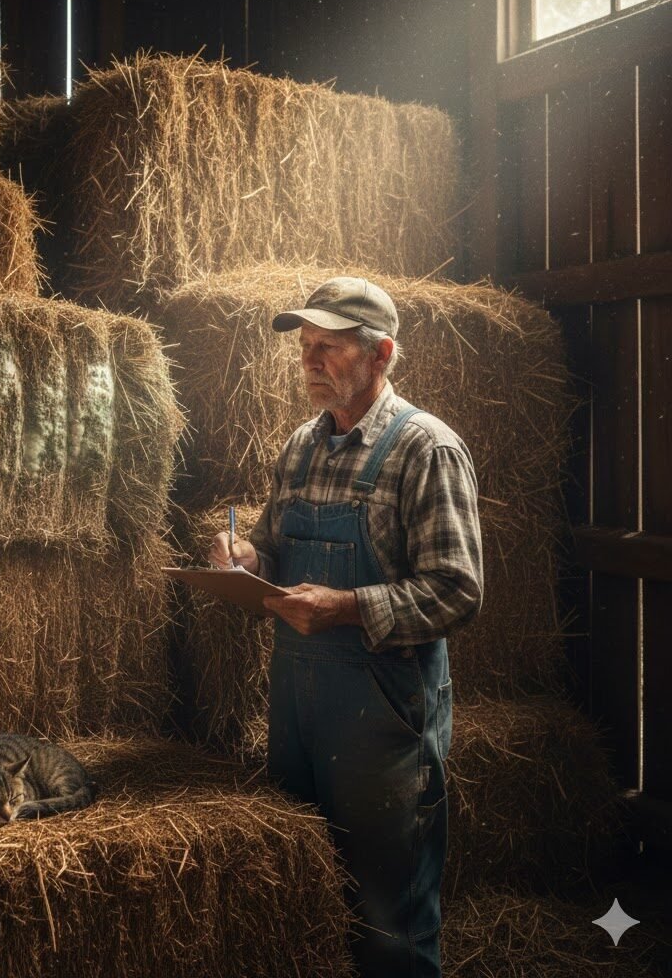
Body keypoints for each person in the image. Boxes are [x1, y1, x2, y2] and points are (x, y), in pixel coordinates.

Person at [208, 277, 483, 978]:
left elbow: (457, 591)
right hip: (297, 706)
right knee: (303, 900)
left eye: (328, 347)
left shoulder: (426, 449)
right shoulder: (300, 446)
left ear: (381, 354)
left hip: (382, 713)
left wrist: (348, 605)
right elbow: (272, 544)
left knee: (388, 920)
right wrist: (246, 557)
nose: (310, 361)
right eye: (305, 347)